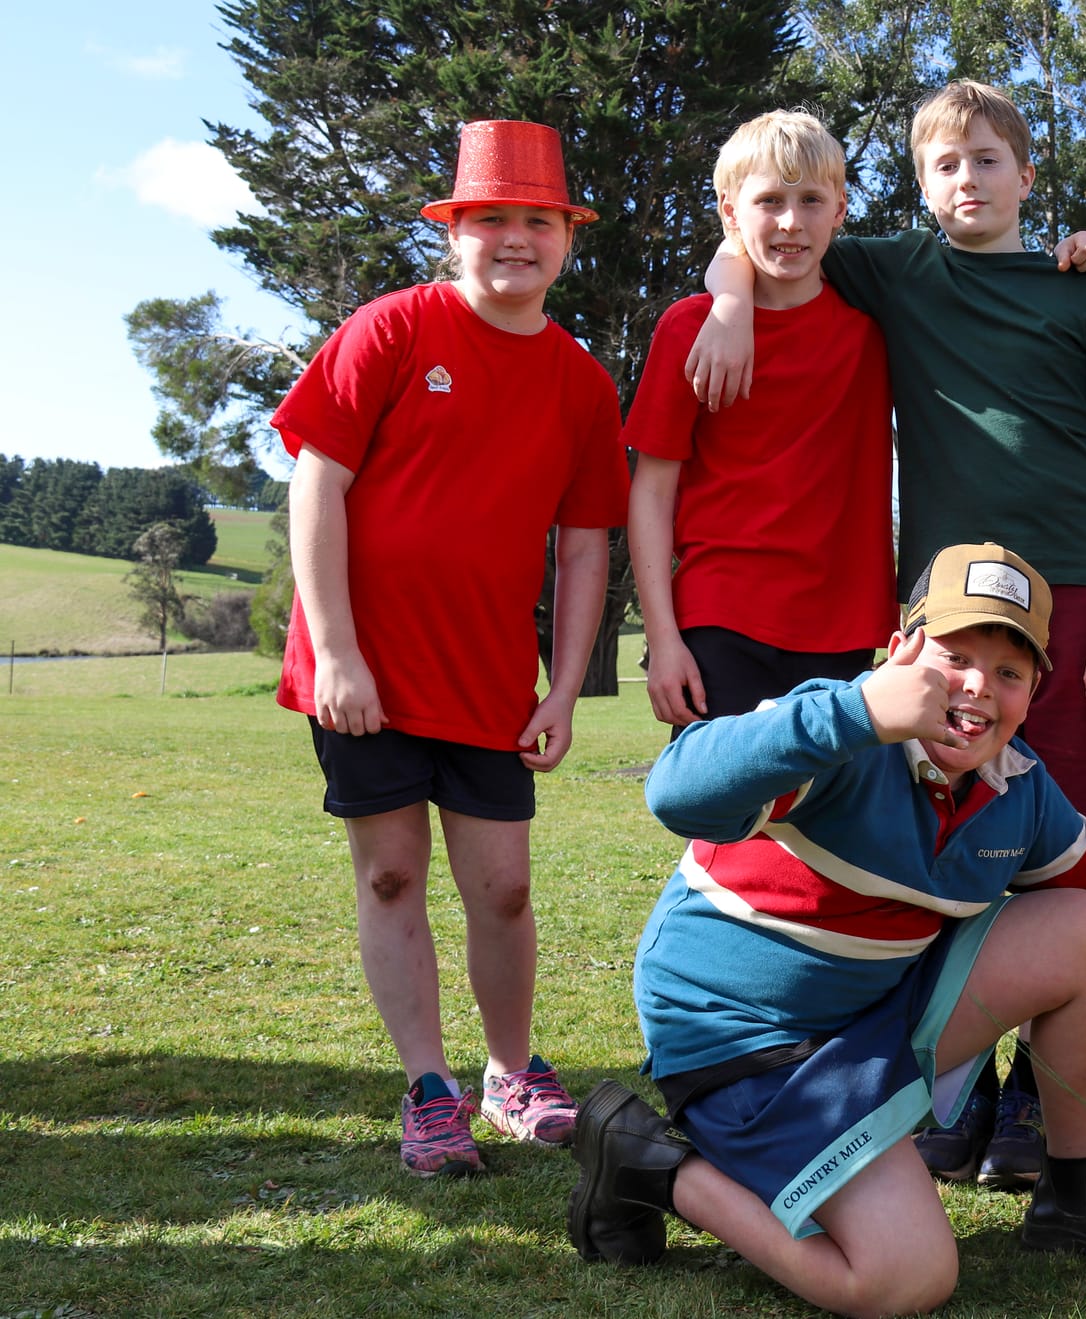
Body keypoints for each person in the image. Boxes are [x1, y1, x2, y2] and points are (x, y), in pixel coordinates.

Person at [687, 79, 1086, 1190]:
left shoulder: (1079, 291)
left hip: (1074, 595)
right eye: (944, 165)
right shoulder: (894, 267)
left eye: (988, 162)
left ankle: (1048, 1096)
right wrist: (724, 304)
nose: (967, 182)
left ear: (1026, 178)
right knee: (949, 830)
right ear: (916, 186)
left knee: (1057, 843)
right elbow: (756, 237)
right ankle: (960, 1081)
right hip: (940, 607)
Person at [568, 543, 1086, 1317]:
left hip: (869, 1018)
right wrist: (858, 714)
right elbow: (676, 791)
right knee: (904, 1279)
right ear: (899, 652)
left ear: (1032, 692)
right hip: (743, 1046)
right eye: (955, 655)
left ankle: (1079, 1196)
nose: (979, 685)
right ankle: (649, 1166)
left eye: (1010, 672)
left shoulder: (1019, 785)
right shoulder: (839, 731)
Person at [275, 119, 630, 1177]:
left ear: (567, 235)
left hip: (488, 685)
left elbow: (581, 553)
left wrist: (563, 687)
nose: (513, 240)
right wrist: (335, 650)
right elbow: (315, 484)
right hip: (364, 679)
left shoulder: (578, 381)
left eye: (536, 220)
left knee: (504, 888)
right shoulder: (389, 330)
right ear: (454, 233)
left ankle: (511, 1069)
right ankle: (429, 1085)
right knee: (390, 876)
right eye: (490, 221)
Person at [623, 111, 895, 727]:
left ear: (841, 208)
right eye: (769, 201)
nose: (791, 222)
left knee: (827, 820)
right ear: (729, 209)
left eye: (810, 200)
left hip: (843, 622)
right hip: (720, 614)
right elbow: (651, 491)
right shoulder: (689, 328)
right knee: (726, 814)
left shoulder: (874, 333)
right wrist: (663, 642)